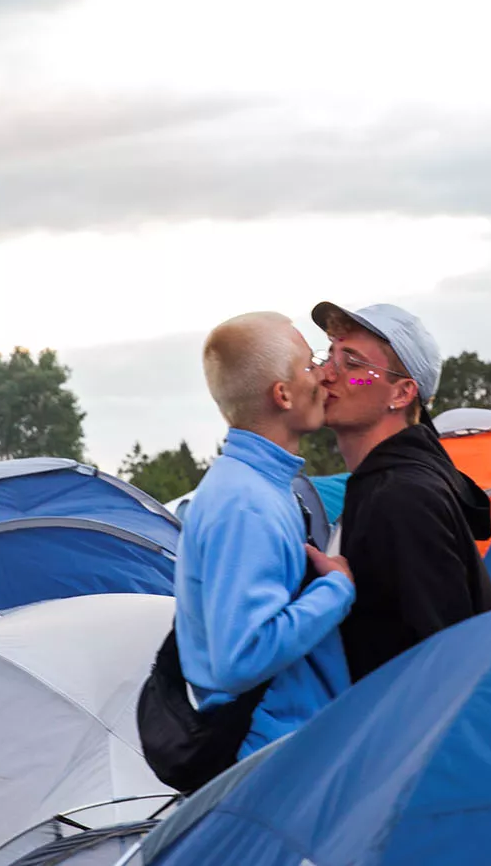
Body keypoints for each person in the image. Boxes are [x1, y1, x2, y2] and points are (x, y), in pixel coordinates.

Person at [174, 311, 355, 757]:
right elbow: (242, 657)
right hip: (273, 755)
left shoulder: (256, 485)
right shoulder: (244, 503)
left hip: (286, 744)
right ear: (283, 394)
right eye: (309, 365)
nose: (323, 375)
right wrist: (336, 588)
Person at [311, 301, 491, 680]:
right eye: (328, 356)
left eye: (353, 364)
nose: (326, 375)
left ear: (401, 393)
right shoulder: (385, 484)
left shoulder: (401, 498)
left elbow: (439, 659)